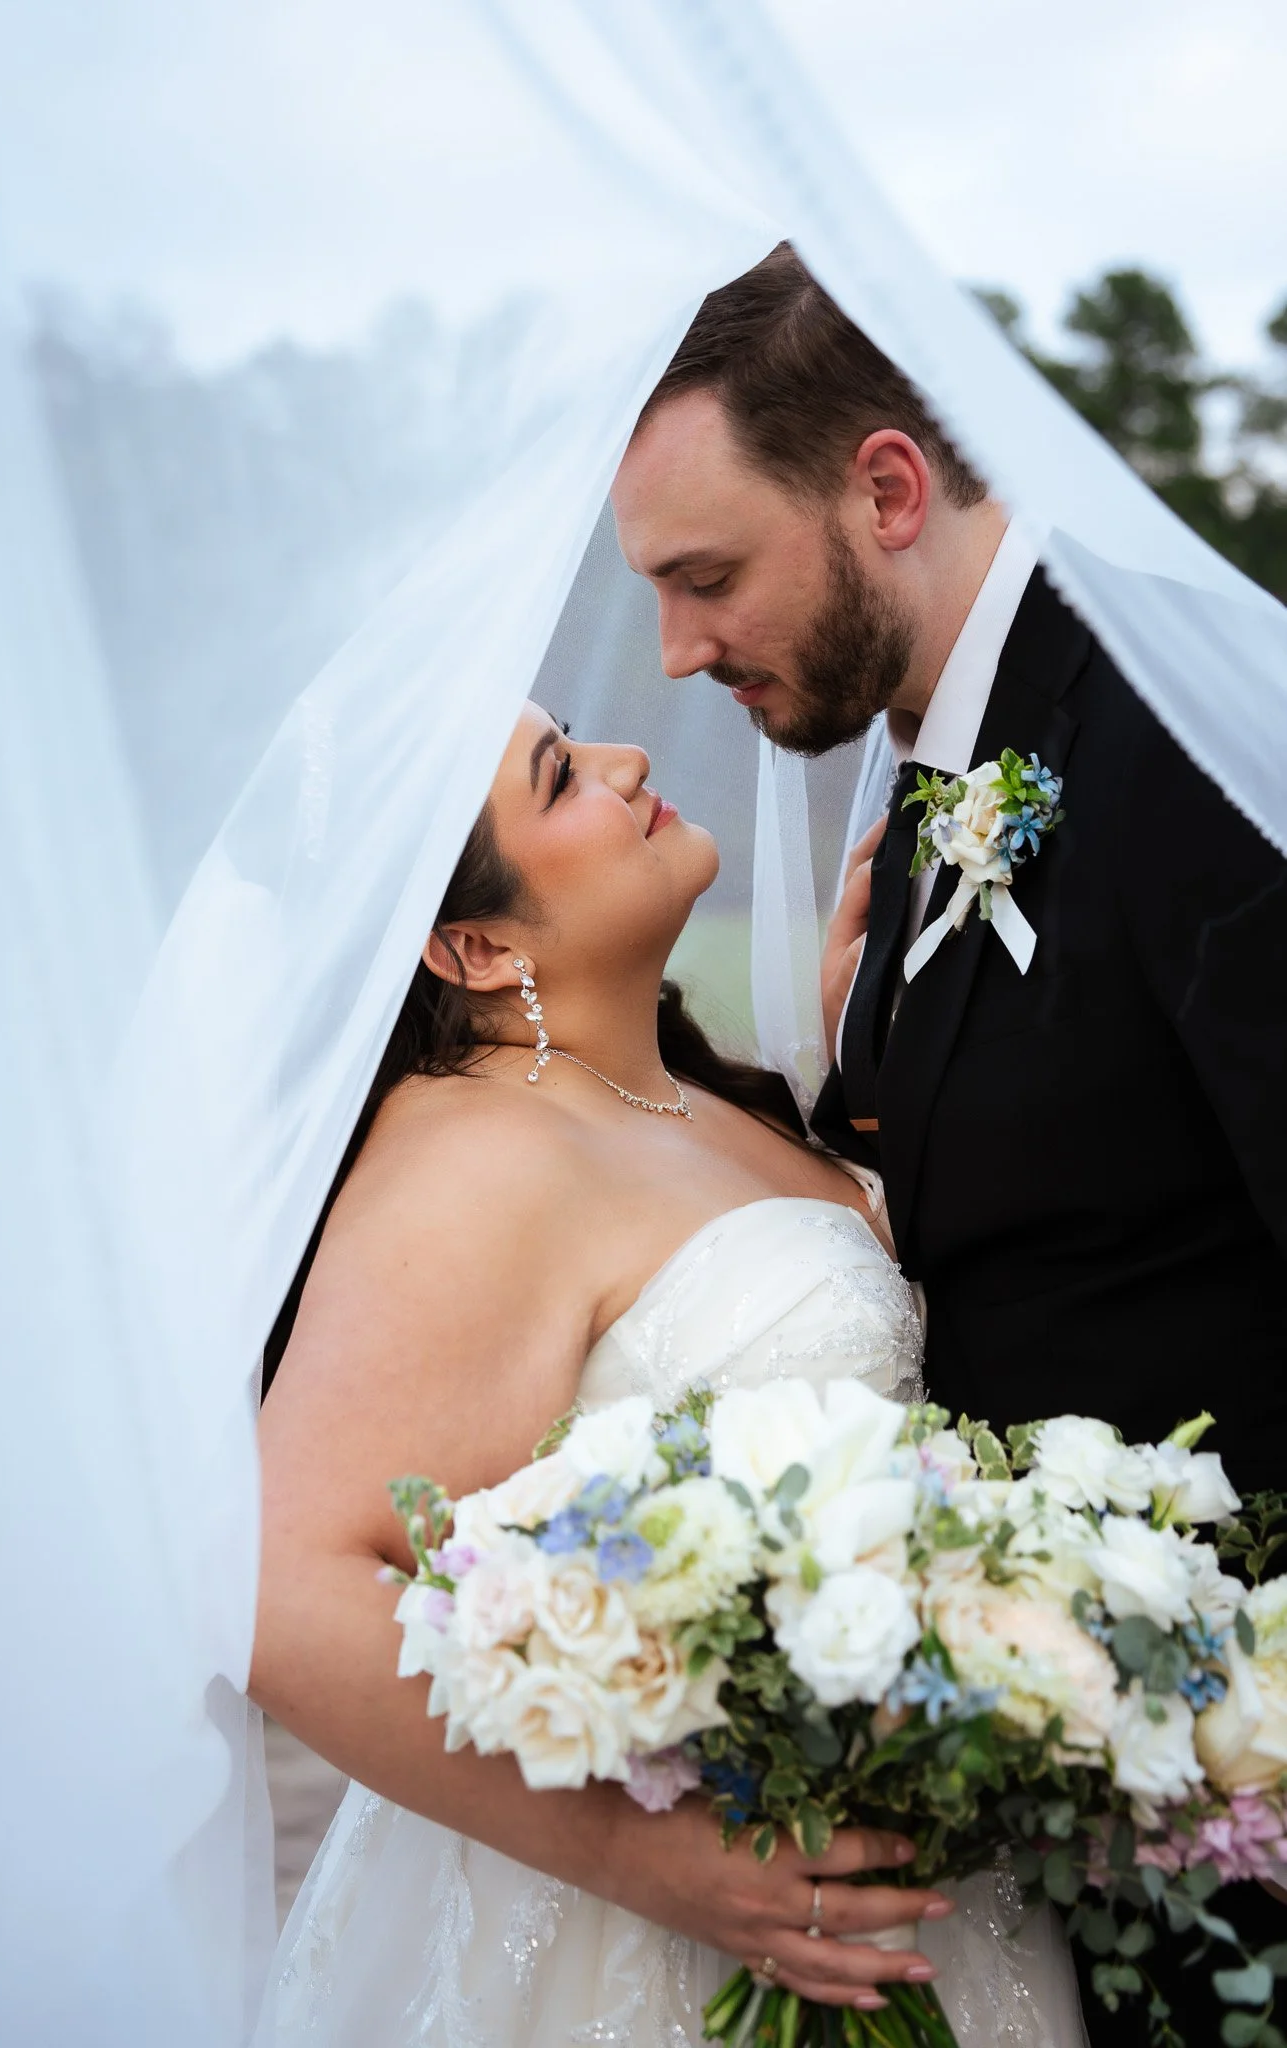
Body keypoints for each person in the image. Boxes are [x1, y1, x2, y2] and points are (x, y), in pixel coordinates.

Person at [610, 240, 1287, 2047]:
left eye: (707, 578)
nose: (678, 654)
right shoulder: (941, 782)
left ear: (887, 489)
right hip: (1096, 1828)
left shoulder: (1180, 733)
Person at [249, 701, 1088, 2045]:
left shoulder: (708, 1095)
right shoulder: (473, 1153)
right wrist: (662, 1863)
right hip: (652, 1936)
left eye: (579, 741)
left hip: (920, 1882)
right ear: (472, 945)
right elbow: (286, 1596)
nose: (631, 761)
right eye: (562, 777)